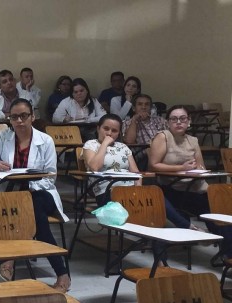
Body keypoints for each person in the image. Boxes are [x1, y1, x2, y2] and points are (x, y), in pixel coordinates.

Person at [0, 98, 71, 292]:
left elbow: (50, 177)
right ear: (9, 119)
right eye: (14, 117)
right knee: (31, 214)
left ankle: (11, 259)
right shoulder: (3, 137)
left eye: (23, 116)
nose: (19, 121)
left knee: (32, 208)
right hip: (11, 195)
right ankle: (62, 273)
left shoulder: (45, 140)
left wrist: (30, 188)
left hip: (40, 193)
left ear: (32, 117)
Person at [84, 113, 198, 264]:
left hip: (130, 192)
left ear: (119, 133)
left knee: (154, 198)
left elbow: (136, 173)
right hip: (108, 194)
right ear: (98, 128)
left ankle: (162, 260)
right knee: (152, 209)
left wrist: (139, 189)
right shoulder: (90, 145)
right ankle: (185, 226)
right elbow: (95, 167)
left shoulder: (123, 147)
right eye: (106, 129)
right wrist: (104, 144)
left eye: (114, 131)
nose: (110, 133)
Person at [149, 105, 232, 252]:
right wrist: (182, 168)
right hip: (172, 188)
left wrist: (198, 170)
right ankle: (192, 229)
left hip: (195, 187)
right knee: (168, 200)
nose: (179, 122)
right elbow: (154, 165)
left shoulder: (193, 140)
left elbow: (201, 166)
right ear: (168, 122)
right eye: (174, 119)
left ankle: (227, 255)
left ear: (189, 121)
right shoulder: (163, 137)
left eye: (183, 119)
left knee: (219, 210)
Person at [121, 94, 167, 170]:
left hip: (162, 152)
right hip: (140, 156)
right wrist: (134, 121)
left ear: (151, 108)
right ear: (133, 108)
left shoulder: (160, 121)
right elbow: (129, 141)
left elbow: (170, 138)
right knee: (150, 150)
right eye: (140, 104)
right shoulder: (127, 122)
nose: (143, 107)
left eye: (147, 104)